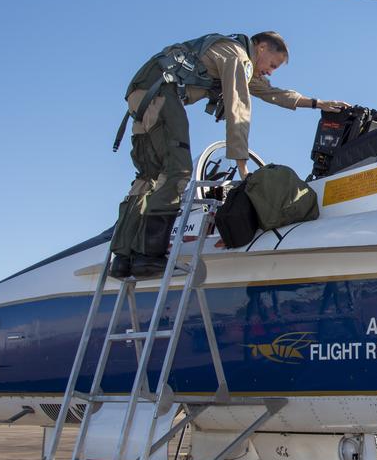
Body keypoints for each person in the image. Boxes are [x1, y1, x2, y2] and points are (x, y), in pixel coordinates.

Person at [111, 31, 347, 279]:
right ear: (262, 48)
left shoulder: (229, 53)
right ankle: (149, 257)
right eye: (272, 64)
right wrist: (241, 162)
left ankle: (123, 258)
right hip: (161, 94)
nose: (270, 71)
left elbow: (272, 93)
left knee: (148, 177)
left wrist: (317, 103)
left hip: (142, 94)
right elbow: (239, 109)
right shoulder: (238, 57)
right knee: (178, 171)